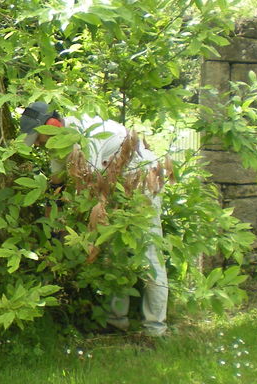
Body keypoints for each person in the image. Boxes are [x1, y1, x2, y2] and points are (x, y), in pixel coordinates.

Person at [20, 101, 169, 337]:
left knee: (149, 253)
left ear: (53, 124)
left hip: (141, 183)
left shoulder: (87, 136)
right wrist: (52, 227)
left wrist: (77, 231)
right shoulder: (59, 146)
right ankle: (116, 321)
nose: (38, 144)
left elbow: (90, 190)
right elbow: (56, 186)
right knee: (113, 253)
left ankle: (155, 330)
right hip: (114, 187)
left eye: (38, 138)